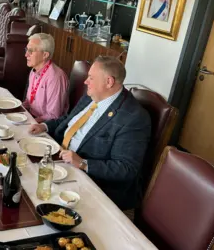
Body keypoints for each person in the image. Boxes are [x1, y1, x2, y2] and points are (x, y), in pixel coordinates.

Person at [29, 56, 151, 210]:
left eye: (91, 78)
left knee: (36, 200)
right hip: (59, 158)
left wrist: (83, 163)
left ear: (109, 82)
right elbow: (70, 120)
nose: (85, 82)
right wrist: (45, 126)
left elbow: (126, 168)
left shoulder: (133, 118)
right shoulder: (92, 96)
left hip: (91, 183)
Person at [22, 33, 69, 122]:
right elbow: (29, 102)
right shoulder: (33, 71)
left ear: (45, 55)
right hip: (32, 118)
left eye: (31, 51)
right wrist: (16, 108)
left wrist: (31, 122)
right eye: (26, 50)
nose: (26, 55)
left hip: (46, 127)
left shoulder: (55, 77)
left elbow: (53, 116)